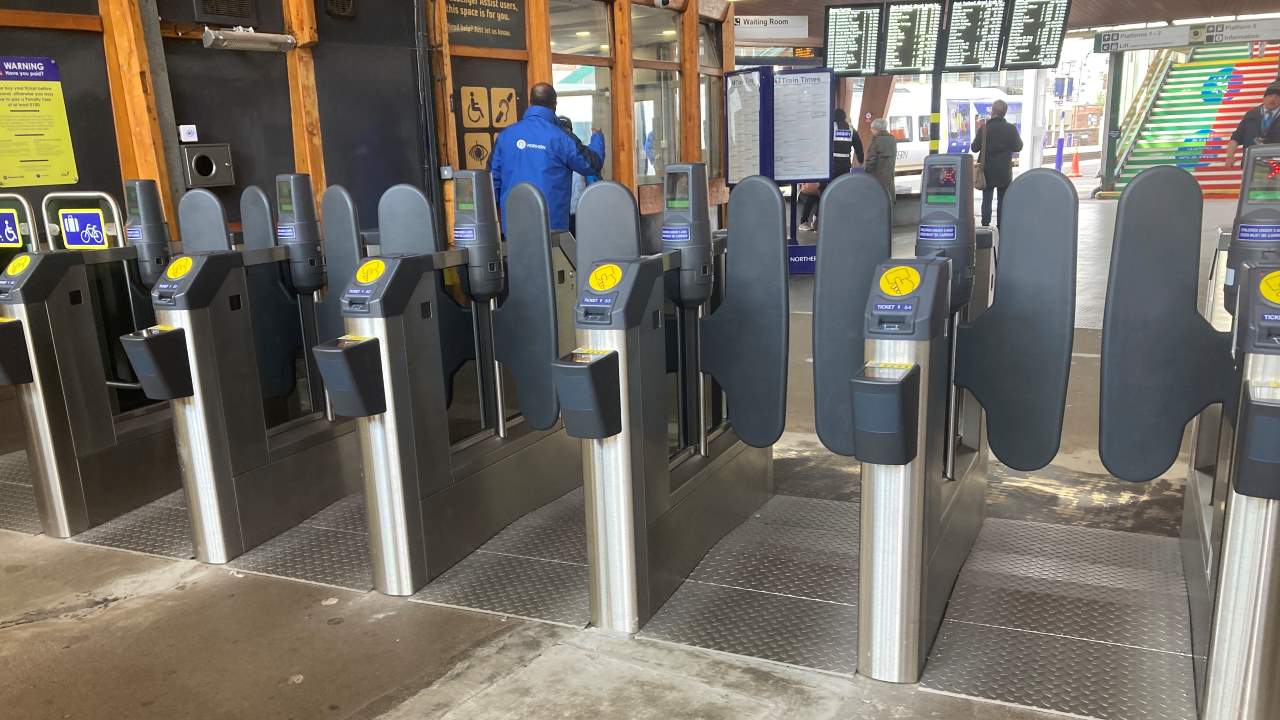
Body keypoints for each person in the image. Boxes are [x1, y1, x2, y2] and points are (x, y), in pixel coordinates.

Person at [489, 83, 605, 232]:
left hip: (513, 227)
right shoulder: (561, 138)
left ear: (530, 102)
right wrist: (597, 138)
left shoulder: (505, 136)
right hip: (551, 228)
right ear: (555, 104)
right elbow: (591, 164)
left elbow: (492, 181)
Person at [971, 99, 1023, 228]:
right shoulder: (1011, 129)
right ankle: (1001, 226)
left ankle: (985, 226)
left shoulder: (984, 129)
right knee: (1003, 201)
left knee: (986, 200)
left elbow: (974, 148)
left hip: (987, 171)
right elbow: (1018, 147)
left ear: (993, 111)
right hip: (1004, 172)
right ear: (1004, 113)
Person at [1225, 81, 1280, 168]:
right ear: (1264, 97)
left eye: (1277, 96)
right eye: (1270, 96)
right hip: (1251, 165)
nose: (1273, 99)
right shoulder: (1251, 114)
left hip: (1275, 167)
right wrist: (1230, 156)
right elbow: (1235, 138)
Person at [864, 118, 898, 209]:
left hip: (877, 176)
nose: (871, 131)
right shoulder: (892, 139)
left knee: (878, 201)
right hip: (889, 176)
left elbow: (871, 160)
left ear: (876, 129)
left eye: (872, 129)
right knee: (888, 199)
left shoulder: (877, 140)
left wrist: (866, 171)